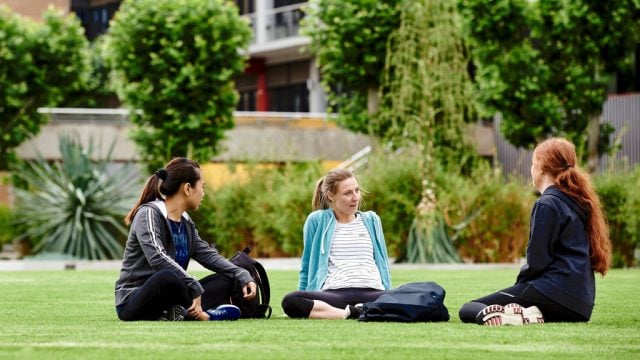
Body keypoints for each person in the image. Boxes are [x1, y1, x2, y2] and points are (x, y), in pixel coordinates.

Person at [459, 138, 611, 326]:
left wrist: (519, 288)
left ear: (541, 167)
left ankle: (510, 315)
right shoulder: (578, 202)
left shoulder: (547, 203)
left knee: (469, 308)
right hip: (581, 305)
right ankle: (524, 314)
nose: (531, 169)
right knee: (516, 300)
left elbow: (538, 261)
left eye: (533, 163)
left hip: (554, 293)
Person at [114, 157, 257, 321]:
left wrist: (241, 273)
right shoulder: (149, 214)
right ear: (188, 188)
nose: (203, 193)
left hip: (173, 298)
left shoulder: (186, 223)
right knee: (166, 277)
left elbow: (208, 255)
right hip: (134, 301)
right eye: (202, 187)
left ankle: (184, 312)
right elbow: (157, 257)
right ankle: (202, 314)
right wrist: (193, 284)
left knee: (229, 279)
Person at [281, 168, 392, 319]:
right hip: (335, 295)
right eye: (348, 193)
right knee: (291, 301)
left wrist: (391, 295)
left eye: (357, 191)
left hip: (373, 291)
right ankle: (349, 313)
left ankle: (366, 309)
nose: (355, 198)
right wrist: (304, 297)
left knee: (426, 294)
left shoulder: (372, 220)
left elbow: (383, 262)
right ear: (331, 196)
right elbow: (306, 266)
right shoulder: (317, 220)